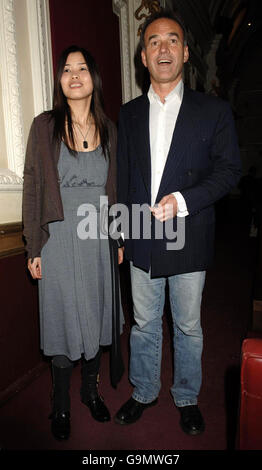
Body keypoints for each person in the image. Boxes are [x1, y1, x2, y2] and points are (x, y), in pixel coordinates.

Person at [114, 10, 242, 435]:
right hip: (143, 237)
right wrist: (120, 232)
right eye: (153, 42)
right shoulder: (128, 114)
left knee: (188, 325)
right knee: (145, 323)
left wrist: (185, 200)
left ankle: (186, 397)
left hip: (189, 232)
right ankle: (144, 391)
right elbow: (124, 179)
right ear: (144, 57)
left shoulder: (214, 110)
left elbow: (228, 172)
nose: (163, 48)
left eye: (172, 40)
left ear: (185, 52)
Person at [22, 45, 124, 440]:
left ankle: (90, 392)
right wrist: (33, 245)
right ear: (60, 80)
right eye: (67, 69)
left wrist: (118, 237)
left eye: (83, 68)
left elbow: (116, 190)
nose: (75, 75)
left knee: (99, 315)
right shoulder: (44, 126)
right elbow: (33, 185)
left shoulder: (111, 129)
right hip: (59, 239)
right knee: (63, 319)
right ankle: (61, 404)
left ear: (93, 78)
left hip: (99, 237)